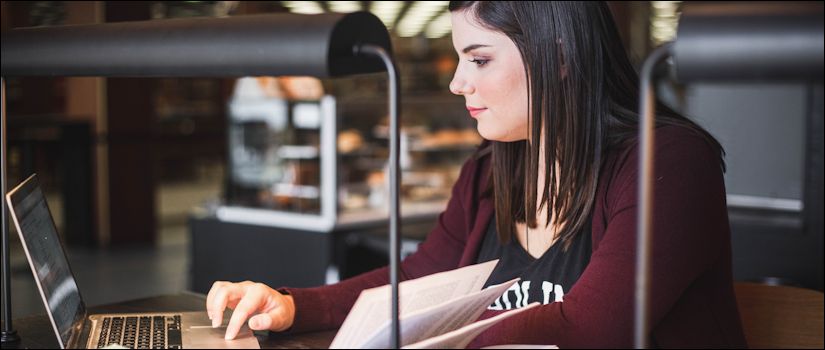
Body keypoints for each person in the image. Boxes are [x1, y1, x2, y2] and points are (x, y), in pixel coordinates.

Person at [206, 2, 747, 347]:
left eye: (479, 60)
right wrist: (295, 305)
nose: (457, 83)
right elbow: (419, 280)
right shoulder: (490, 170)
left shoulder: (667, 163)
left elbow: (590, 329)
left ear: (557, 55)